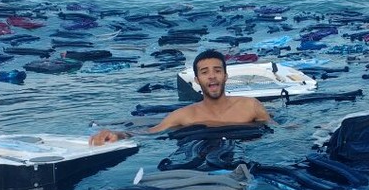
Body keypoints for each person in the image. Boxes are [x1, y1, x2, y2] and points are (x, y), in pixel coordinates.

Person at [89, 49, 272, 145]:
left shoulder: (251, 106)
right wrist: (118, 135)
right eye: (204, 72)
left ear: (225, 76)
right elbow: (149, 133)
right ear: (197, 80)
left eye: (217, 71)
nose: (212, 76)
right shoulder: (184, 115)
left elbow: (277, 128)